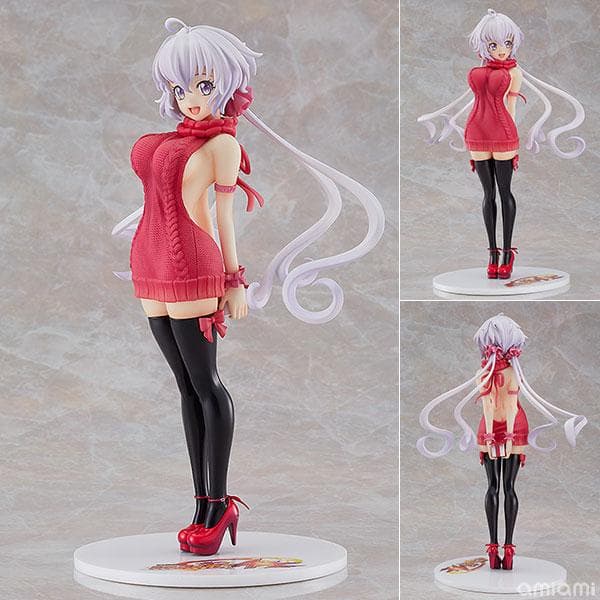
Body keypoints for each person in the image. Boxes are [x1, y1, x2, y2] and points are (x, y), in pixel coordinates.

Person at [112, 17, 385, 555]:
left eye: (203, 85)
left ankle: (218, 505)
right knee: (185, 386)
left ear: (229, 85)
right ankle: (201, 503)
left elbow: (223, 218)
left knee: (205, 382)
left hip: (191, 262)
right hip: (148, 262)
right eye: (180, 88)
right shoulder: (169, 139)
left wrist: (234, 280)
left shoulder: (222, 145)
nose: (191, 99)